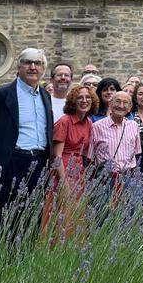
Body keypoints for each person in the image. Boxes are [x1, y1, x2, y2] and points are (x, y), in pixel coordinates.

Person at [0, 47, 54, 261]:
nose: (33, 67)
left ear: (43, 68)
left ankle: (19, 269)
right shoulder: (0, 95)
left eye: (38, 63)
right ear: (19, 66)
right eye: (28, 62)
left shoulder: (45, 96)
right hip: (9, 164)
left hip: (37, 165)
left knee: (29, 220)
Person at [43, 85, 95, 240]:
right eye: (80, 98)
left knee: (77, 216)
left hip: (78, 173)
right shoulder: (64, 121)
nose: (84, 101)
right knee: (60, 216)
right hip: (62, 172)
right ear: (73, 101)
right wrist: (64, 183)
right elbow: (56, 157)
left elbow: (86, 153)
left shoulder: (89, 123)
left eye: (88, 98)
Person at [89, 91, 141, 188]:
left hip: (128, 179)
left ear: (130, 108)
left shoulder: (134, 126)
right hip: (105, 179)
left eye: (125, 103)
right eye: (117, 101)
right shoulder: (97, 127)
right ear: (110, 104)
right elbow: (90, 157)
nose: (121, 106)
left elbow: (137, 153)